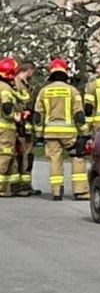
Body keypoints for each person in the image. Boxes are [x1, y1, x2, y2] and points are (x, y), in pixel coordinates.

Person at [33, 59, 86, 201]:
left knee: (54, 160)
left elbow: (38, 115)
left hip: (50, 132)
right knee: (77, 157)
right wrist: (84, 132)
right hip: (69, 133)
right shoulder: (72, 90)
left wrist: (38, 134)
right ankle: (80, 191)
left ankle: (56, 192)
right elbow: (79, 115)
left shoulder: (44, 91)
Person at [11, 61, 39, 196]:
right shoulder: (15, 84)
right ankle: (17, 186)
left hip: (27, 126)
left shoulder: (26, 85)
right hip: (19, 125)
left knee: (28, 156)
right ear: (29, 70)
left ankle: (26, 185)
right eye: (32, 72)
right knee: (19, 155)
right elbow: (15, 103)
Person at [0, 57, 19, 197]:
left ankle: (6, 188)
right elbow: (6, 107)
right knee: (5, 155)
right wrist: (14, 116)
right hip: (5, 128)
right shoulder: (5, 88)